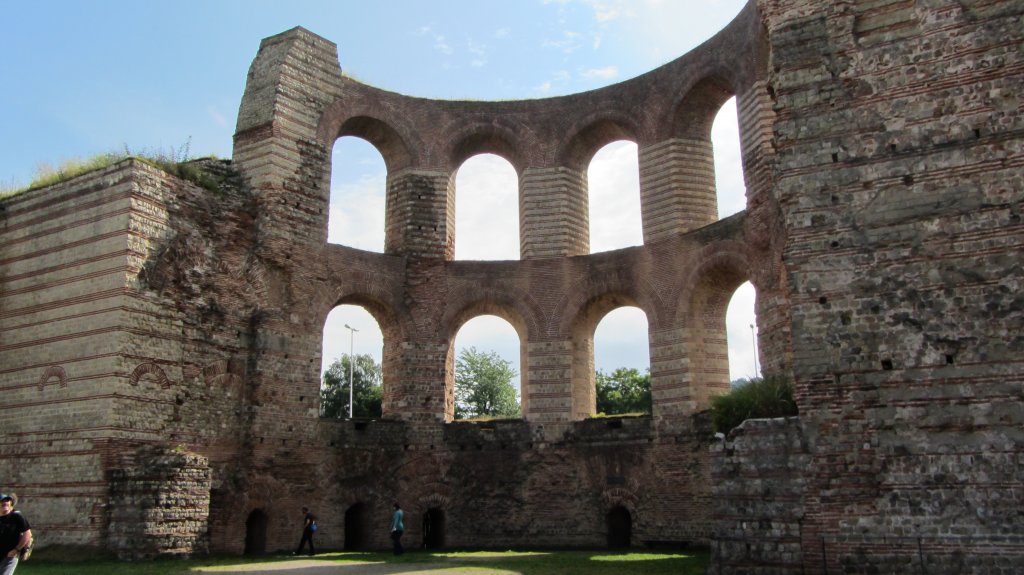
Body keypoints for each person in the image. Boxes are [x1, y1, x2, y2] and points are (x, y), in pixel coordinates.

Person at [0, 494, 31, 575]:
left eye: (7, 501)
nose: (5, 503)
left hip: (10, 556)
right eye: (2, 501)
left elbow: (27, 534)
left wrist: (16, 550)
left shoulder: (16, 516)